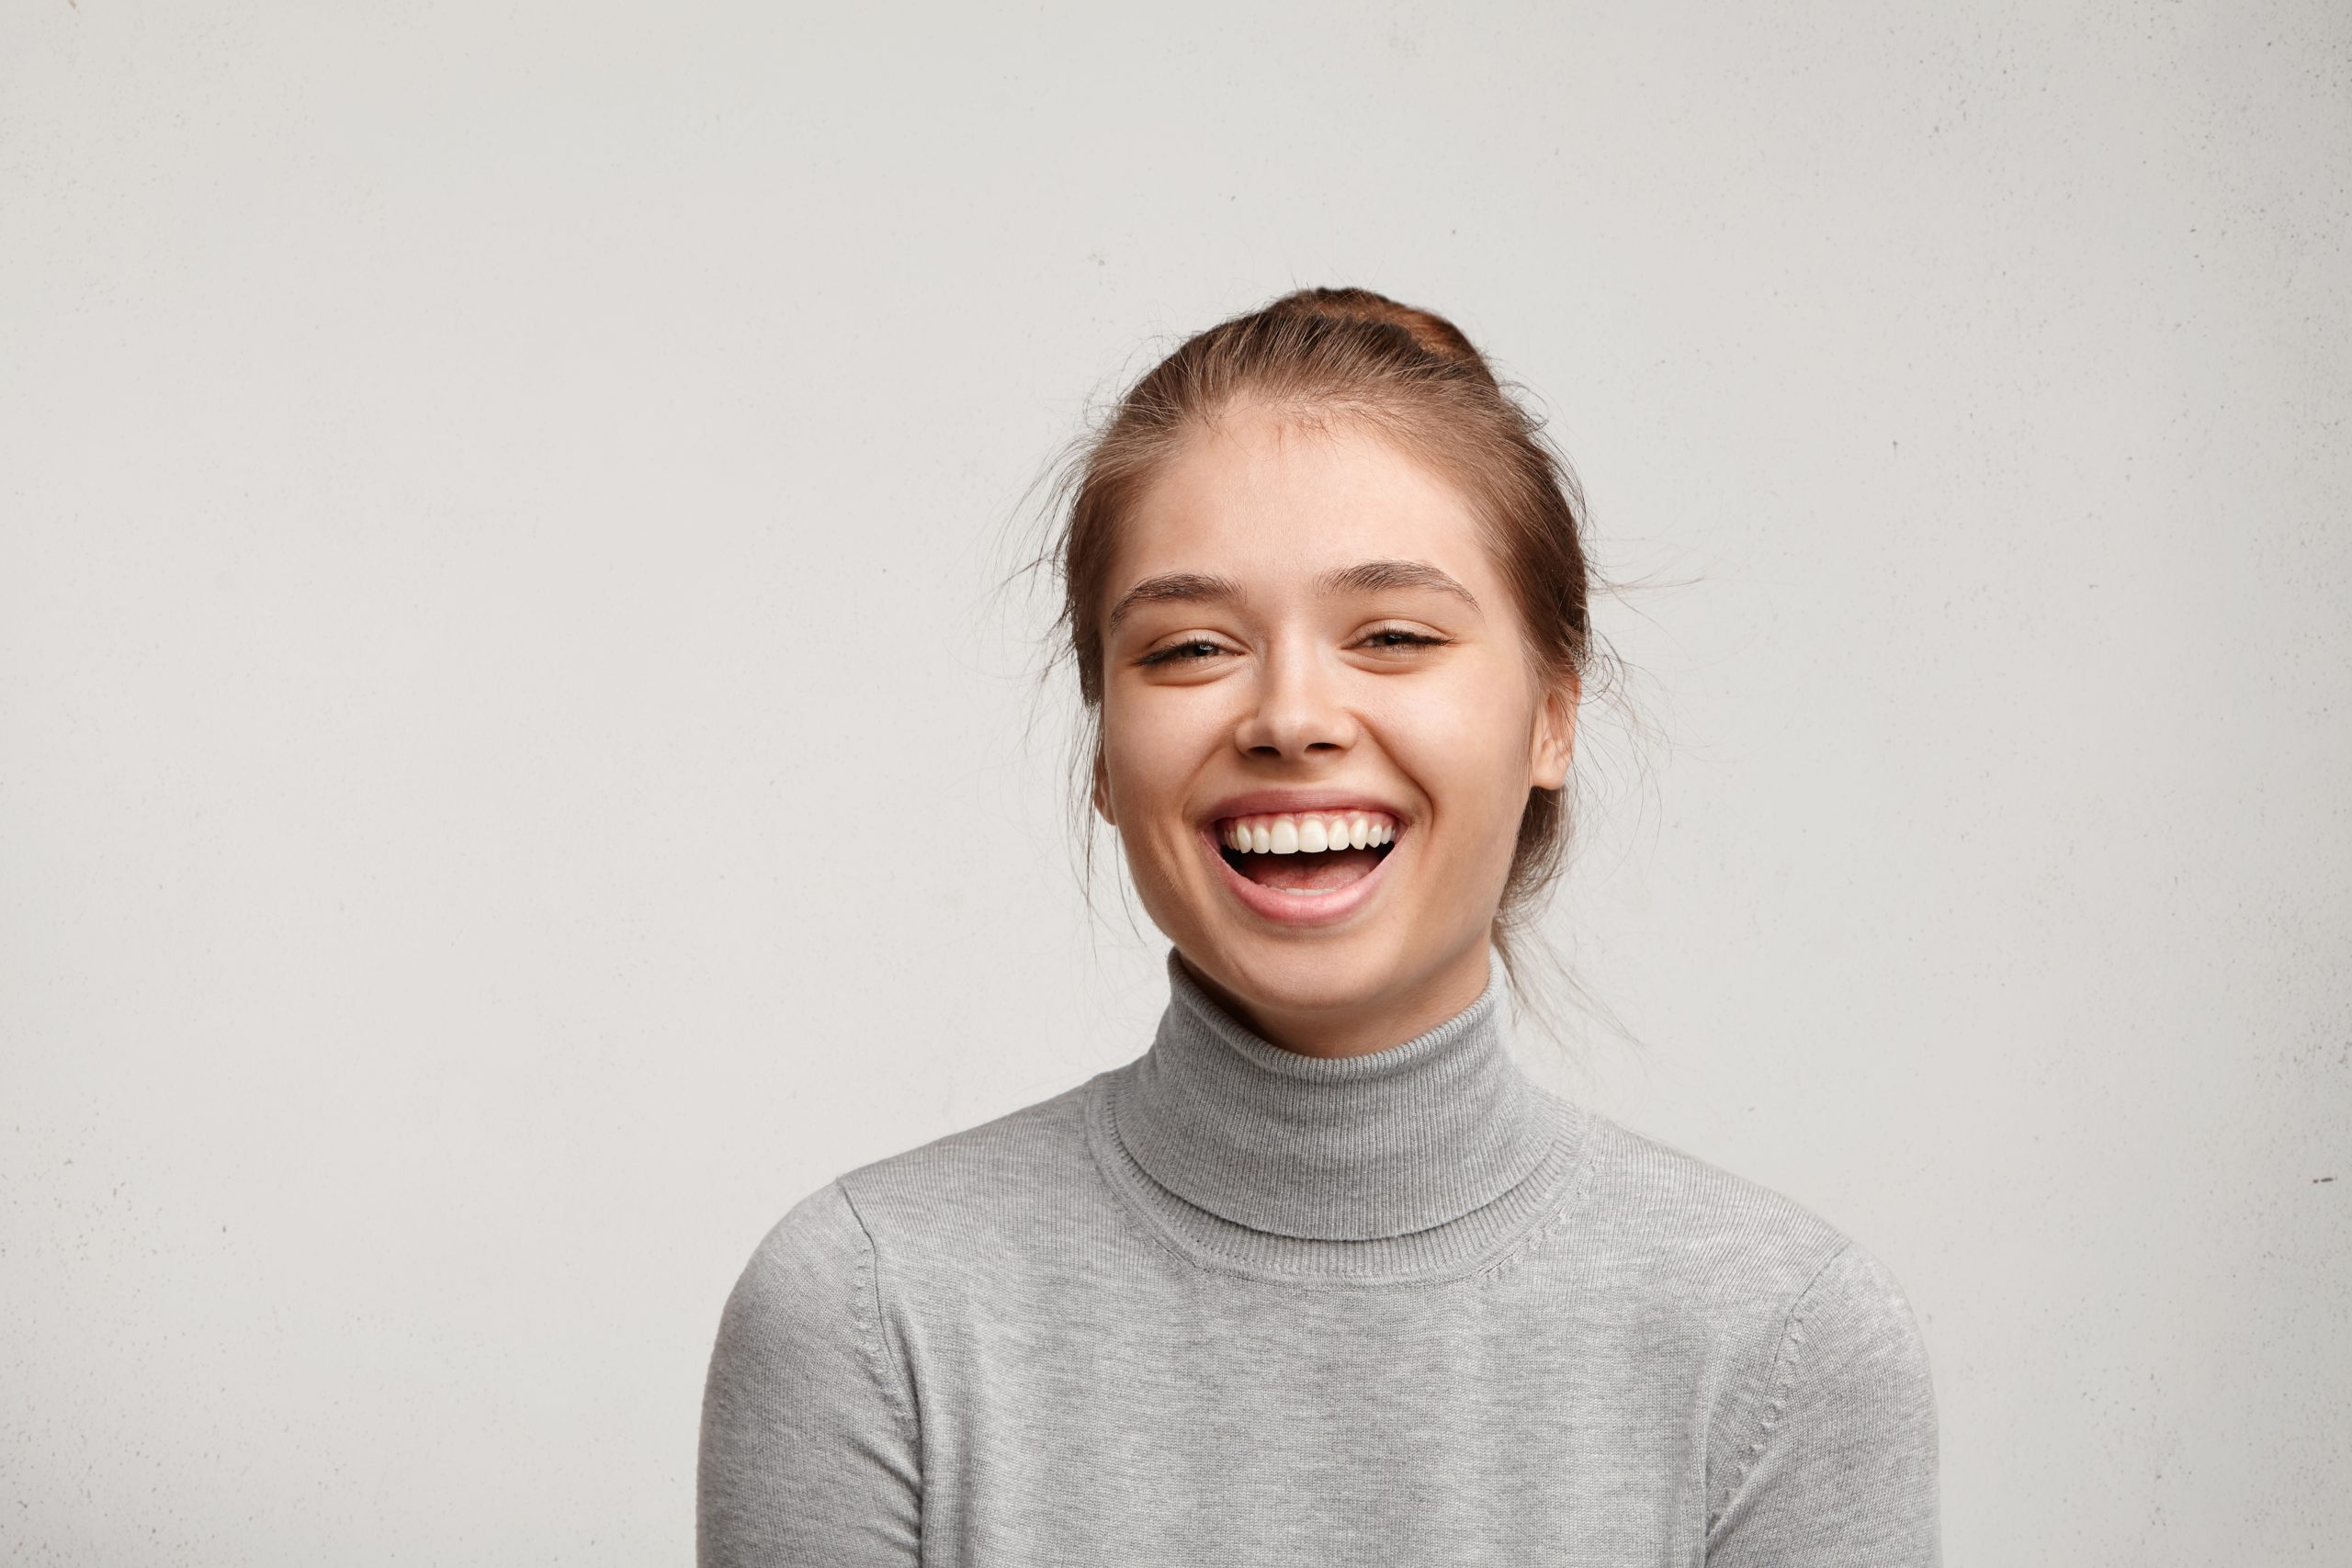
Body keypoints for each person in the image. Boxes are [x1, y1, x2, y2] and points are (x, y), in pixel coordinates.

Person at [696, 287, 1941, 1564]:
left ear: (1552, 716)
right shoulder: (870, 1310)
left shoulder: (1781, 1342)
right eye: (1188, 650)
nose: (1291, 715)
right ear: (1104, 759)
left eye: (1393, 635)